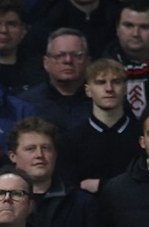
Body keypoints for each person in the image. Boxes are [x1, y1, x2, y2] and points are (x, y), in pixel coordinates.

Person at [56, 58, 139, 193]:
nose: (109, 89)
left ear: (125, 88)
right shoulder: (71, 141)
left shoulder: (142, 136)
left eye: (116, 82)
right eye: (101, 83)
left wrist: (102, 185)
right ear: (88, 90)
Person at [18, 28, 92, 132]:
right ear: (46, 63)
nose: (68, 60)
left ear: (88, 62)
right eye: (60, 55)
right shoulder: (26, 103)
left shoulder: (101, 100)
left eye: (76, 55)